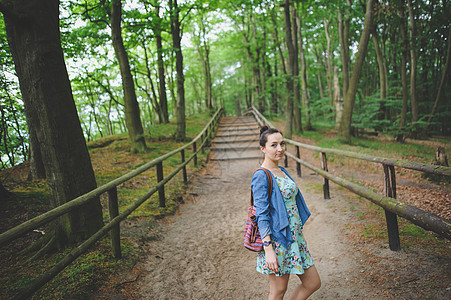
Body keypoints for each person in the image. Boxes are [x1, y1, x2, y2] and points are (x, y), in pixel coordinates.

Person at [251, 126, 321, 300]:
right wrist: (268, 250)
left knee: (312, 283)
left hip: (295, 238)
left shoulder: (281, 171)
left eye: (282, 144)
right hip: (278, 240)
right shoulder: (261, 176)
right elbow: (262, 215)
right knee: (278, 291)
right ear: (263, 148)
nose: (280, 149)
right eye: (273, 145)